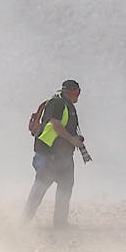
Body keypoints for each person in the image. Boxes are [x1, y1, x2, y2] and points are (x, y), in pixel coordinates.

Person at [23, 79, 86, 227]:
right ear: (69, 92)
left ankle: (60, 223)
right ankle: (24, 221)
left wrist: (75, 139)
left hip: (63, 155)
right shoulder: (57, 103)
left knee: (65, 186)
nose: (78, 96)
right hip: (49, 153)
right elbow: (55, 124)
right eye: (76, 92)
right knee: (41, 185)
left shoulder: (68, 106)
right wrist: (72, 139)